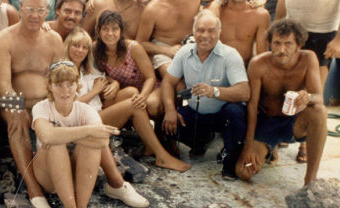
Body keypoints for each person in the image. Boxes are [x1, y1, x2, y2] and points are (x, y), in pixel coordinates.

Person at [0, 0, 65, 208]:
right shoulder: (5, 38)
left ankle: (55, 181)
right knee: (17, 121)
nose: (35, 15)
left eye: (40, 10)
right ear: (20, 8)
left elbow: (60, 79)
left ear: (47, 12)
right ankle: (34, 191)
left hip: (45, 103)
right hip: (15, 101)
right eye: (30, 9)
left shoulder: (54, 39)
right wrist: (15, 105)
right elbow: (3, 83)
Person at [64, 27, 156, 207]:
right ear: (67, 46)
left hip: (96, 115)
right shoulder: (64, 70)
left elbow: (104, 79)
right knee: (132, 105)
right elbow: (68, 107)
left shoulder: (86, 69)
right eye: (75, 45)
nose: (80, 50)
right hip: (78, 122)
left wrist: (114, 83)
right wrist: (95, 91)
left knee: (131, 92)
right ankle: (120, 181)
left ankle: (150, 149)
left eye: (84, 47)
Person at [94, 11, 189, 171]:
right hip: (130, 92)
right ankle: (152, 146)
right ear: (99, 31)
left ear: (121, 31)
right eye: (105, 29)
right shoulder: (98, 50)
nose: (110, 33)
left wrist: (144, 96)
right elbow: (103, 75)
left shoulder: (133, 47)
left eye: (114, 29)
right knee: (132, 94)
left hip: (151, 88)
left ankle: (158, 139)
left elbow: (150, 77)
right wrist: (113, 82)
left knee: (149, 105)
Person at [236, 19, 327, 185]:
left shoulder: (308, 59)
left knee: (319, 111)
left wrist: (308, 98)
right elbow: (252, 106)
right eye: (276, 43)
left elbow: (319, 97)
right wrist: (248, 147)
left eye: (288, 44)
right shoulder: (258, 64)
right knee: (244, 171)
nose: (281, 50)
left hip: (294, 122)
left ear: (298, 45)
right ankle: (270, 149)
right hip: (267, 124)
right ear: (270, 43)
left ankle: (310, 179)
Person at [161, 10, 250, 177]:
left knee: (235, 112)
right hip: (196, 112)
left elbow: (244, 92)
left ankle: (229, 158)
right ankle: (202, 141)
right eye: (201, 30)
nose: (205, 35)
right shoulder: (185, 51)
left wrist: (214, 91)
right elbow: (168, 82)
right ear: (194, 31)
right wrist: (170, 110)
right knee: (168, 126)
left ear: (219, 33)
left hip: (222, 115)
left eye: (211, 30)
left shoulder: (230, 55)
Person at [31, 60, 118, 208]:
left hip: (74, 171)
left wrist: (64, 135)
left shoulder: (86, 110)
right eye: (59, 85)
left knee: (91, 146)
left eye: (70, 84)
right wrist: (87, 131)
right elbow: (47, 136)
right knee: (55, 144)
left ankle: (82, 207)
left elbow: (102, 140)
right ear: (49, 86)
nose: (65, 90)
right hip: (49, 175)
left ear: (77, 85)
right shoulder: (41, 108)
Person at [136, 0, 220, 77]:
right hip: (164, 49)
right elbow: (140, 42)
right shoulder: (153, 9)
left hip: (193, 43)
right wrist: (166, 51)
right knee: (173, 75)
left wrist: (215, 5)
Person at [213, 0, 269, 66]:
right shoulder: (217, 12)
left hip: (244, 68)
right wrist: (218, 1)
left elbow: (262, 54)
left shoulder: (260, 15)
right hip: (217, 67)